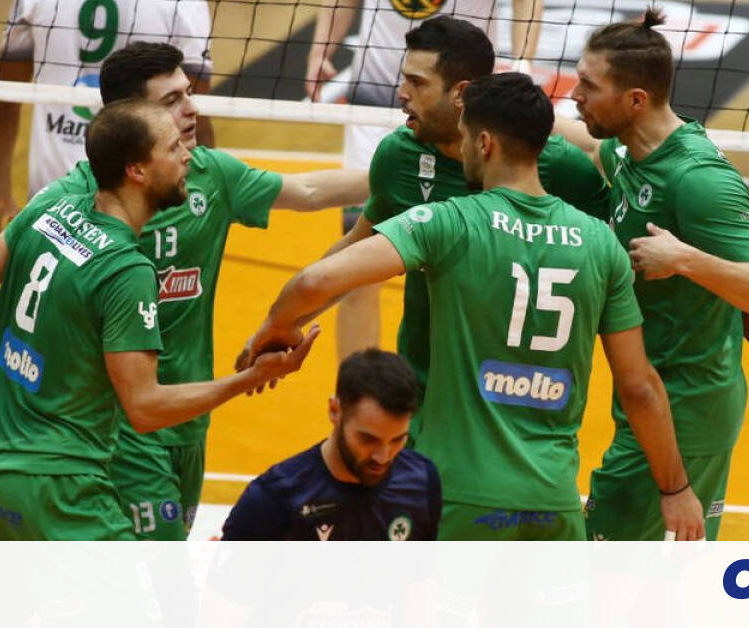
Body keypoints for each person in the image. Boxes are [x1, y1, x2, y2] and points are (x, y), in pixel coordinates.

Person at [241, 73, 704, 540]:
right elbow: (640, 387)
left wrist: (278, 327)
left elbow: (317, 280)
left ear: (484, 144)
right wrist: (676, 488)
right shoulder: (600, 242)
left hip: (457, 498)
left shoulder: (449, 222)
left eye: (464, 138)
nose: (460, 148)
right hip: (552, 502)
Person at [0, 99, 319, 540]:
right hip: (63, 491)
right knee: (143, 588)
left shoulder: (47, 213)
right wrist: (251, 378)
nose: (188, 155)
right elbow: (144, 408)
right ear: (137, 171)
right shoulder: (127, 270)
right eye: (173, 149)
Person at [32, 41, 368, 540]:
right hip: (122, 422)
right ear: (131, 118)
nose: (191, 108)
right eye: (171, 100)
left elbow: (309, 191)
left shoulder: (210, 175)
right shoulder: (81, 196)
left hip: (191, 417)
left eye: (188, 92)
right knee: (161, 570)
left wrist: (395, 175)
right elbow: (16, 265)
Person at [560, 8, 749, 540]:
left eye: (588, 86)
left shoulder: (696, 179)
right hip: (659, 402)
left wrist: (685, 260)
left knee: (606, 567)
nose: (574, 95)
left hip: (686, 410)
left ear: (635, 100)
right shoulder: (631, 152)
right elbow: (582, 141)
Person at [324, 15, 609, 398]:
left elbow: (617, 245)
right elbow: (350, 252)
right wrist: (286, 319)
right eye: (405, 79)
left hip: (520, 391)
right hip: (429, 390)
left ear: (461, 93)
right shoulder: (399, 156)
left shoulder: (554, 162)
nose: (402, 93)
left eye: (417, 82)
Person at [305, 0, 545, 360]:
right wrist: (321, 46)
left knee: (476, 270)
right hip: (373, 101)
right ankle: (359, 391)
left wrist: (524, 61)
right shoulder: (395, 137)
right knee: (357, 270)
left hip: (460, 114)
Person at [0, 0, 215, 240]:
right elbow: (197, 118)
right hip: (145, 204)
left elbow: (4, 102)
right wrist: (207, 196)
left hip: (55, 204)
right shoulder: (185, 5)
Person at [221, 349, 439, 541]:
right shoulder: (273, 501)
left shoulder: (420, 482)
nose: (383, 456)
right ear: (335, 411)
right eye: (368, 439)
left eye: (398, 440)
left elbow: (420, 572)